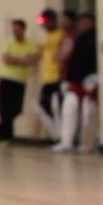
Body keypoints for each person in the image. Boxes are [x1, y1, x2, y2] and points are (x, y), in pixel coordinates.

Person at [52, 12, 100, 153]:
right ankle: (66, 142)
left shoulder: (96, 39)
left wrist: (96, 77)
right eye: (82, 22)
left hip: (90, 80)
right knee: (68, 108)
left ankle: (87, 144)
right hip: (75, 80)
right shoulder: (77, 39)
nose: (83, 24)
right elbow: (73, 61)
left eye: (86, 22)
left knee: (88, 112)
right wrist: (68, 79)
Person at [0, 18, 39, 145]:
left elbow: (32, 60)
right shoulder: (8, 43)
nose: (14, 31)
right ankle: (6, 136)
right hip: (6, 78)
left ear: (23, 29)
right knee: (4, 108)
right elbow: (6, 59)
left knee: (16, 109)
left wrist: (16, 60)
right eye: (13, 29)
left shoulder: (31, 44)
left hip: (20, 80)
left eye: (17, 29)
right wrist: (22, 60)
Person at [33, 8, 67, 139]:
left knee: (58, 107)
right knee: (42, 106)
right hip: (48, 78)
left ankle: (63, 136)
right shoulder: (46, 38)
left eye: (45, 22)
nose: (43, 25)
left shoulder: (61, 34)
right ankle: (57, 135)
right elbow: (38, 54)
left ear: (53, 21)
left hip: (58, 77)